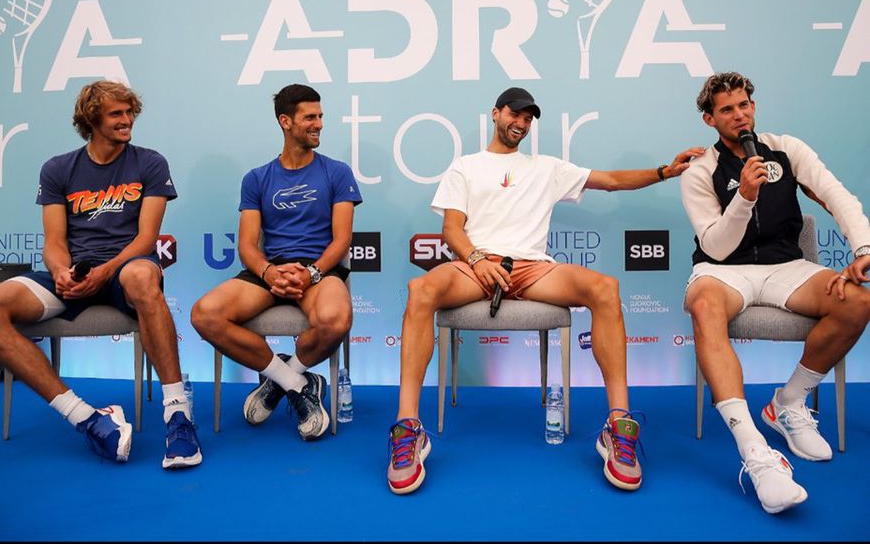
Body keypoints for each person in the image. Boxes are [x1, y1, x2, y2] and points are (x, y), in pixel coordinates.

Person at [386, 87, 704, 495]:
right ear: (495, 114)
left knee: (605, 288)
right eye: (514, 114)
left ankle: (618, 423)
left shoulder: (545, 167)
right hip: (476, 265)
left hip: (532, 269)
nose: (520, 123)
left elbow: (609, 181)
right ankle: (409, 426)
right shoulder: (466, 166)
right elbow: (452, 229)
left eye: (528, 118)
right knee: (419, 289)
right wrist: (478, 260)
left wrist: (664, 171)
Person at [0, 80, 201, 468]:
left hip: (126, 267)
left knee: (143, 276)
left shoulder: (150, 162)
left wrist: (105, 271)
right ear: (91, 119)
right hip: (75, 274)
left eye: (130, 113)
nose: (127, 120)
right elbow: (54, 240)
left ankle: (178, 416)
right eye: (117, 114)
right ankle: (87, 419)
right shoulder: (59, 168)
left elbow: (146, 239)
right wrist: (61, 272)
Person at [681, 71, 870, 514]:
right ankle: (757, 454)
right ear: (709, 119)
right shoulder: (699, 171)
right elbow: (715, 246)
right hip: (723, 271)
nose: (739, 115)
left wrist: (864, 247)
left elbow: (836, 195)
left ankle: (788, 403)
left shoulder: (787, 148)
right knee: (704, 304)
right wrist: (743, 197)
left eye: (744, 105)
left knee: (859, 301)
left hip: (786, 265)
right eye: (727, 110)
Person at [191, 83, 361, 442]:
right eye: (309, 117)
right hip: (269, 271)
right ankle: (299, 384)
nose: (318, 124)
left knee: (337, 319)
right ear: (286, 121)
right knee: (204, 314)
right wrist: (269, 272)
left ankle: (286, 375)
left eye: (320, 117)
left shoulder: (337, 172)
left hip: (319, 269)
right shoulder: (256, 178)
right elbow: (248, 246)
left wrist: (311, 272)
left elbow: (342, 239)